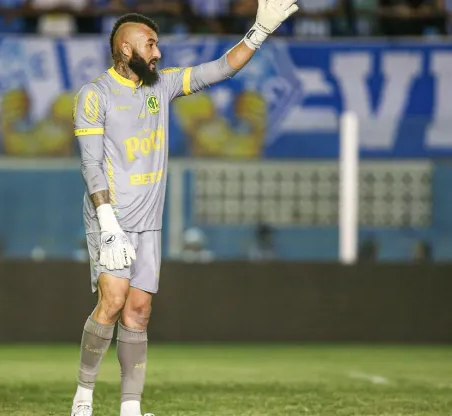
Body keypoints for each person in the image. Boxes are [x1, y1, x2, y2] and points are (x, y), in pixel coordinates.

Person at [70, 3, 300, 416]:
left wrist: (259, 32)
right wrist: (107, 222)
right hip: (110, 219)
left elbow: (220, 69)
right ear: (125, 49)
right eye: (150, 44)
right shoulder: (94, 95)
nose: (158, 53)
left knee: (139, 310)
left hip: (148, 223)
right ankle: (83, 397)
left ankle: (130, 408)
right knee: (114, 299)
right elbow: (90, 163)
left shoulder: (162, 86)